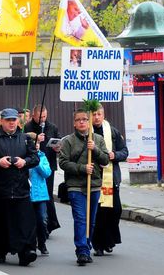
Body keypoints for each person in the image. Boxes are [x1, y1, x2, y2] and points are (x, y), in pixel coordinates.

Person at [0, 108, 39, 266]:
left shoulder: (25, 138)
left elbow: (34, 158)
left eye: (14, 120)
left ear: (18, 121)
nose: (12, 123)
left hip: (21, 189)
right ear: (2, 121)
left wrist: (24, 162)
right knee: (0, 223)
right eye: (8, 120)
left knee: (25, 223)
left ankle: (26, 251)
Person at [59, 109, 109, 266]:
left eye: (85, 119)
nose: (82, 122)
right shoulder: (68, 141)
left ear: (89, 122)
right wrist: (82, 168)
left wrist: (94, 148)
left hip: (93, 185)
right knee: (81, 219)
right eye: (78, 119)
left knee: (91, 221)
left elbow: (106, 160)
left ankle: (87, 245)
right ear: (74, 122)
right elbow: (63, 162)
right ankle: (82, 251)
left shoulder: (98, 139)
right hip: (75, 186)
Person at [91, 105, 128, 256]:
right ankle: (98, 244)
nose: (97, 117)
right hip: (93, 178)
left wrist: (114, 155)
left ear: (103, 115)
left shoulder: (112, 131)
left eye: (99, 114)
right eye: (94, 114)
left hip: (111, 178)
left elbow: (124, 152)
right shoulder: (87, 133)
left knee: (115, 210)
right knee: (99, 213)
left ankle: (109, 240)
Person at [23, 104, 61, 236]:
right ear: (34, 115)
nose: (42, 119)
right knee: (35, 194)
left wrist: (57, 148)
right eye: (40, 117)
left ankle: (49, 223)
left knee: (48, 194)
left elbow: (58, 141)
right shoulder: (27, 127)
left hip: (47, 164)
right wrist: (35, 139)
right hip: (33, 165)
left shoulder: (52, 127)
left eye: (44, 116)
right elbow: (24, 140)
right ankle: (37, 222)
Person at [28, 136, 52, 255]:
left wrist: (36, 161)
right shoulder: (24, 155)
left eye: (37, 142)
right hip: (27, 194)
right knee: (29, 221)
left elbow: (47, 173)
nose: (36, 145)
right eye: (33, 142)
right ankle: (31, 244)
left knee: (42, 220)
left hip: (41, 195)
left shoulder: (42, 156)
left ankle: (42, 243)